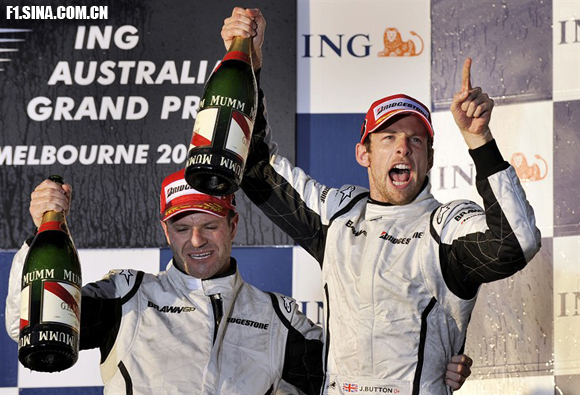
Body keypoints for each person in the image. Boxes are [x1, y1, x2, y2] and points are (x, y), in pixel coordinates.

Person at [222, 7, 542, 395]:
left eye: (416, 140)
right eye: (388, 138)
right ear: (364, 154)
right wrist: (248, 64)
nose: (403, 149)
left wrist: (479, 139)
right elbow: (256, 168)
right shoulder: (336, 213)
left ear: (430, 159)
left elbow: (516, 242)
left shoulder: (446, 226)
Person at [5, 169, 325, 394]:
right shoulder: (127, 294)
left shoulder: (278, 317)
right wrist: (40, 232)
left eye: (210, 226)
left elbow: (348, 377)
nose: (197, 241)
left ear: (233, 225)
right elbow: (25, 325)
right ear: (165, 231)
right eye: (183, 229)